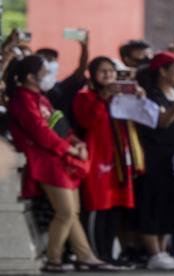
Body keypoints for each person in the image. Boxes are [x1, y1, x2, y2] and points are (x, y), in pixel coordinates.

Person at [6, 55, 114, 272]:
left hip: (59, 159)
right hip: (47, 162)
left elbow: (60, 125)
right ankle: (53, 259)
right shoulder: (23, 100)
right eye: (44, 73)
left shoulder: (41, 98)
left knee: (72, 211)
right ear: (29, 77)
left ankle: (86, 256)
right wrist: (70, 149)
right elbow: (41, 132)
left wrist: (76, 142)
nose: (49, 77)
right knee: (65, 212)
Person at [73, 56, 145, 264]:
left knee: (115, 208)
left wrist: (139, 99)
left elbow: (140, 120)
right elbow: (88, 121)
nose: (108, 75)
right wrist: (103, 97)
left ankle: (109, 255)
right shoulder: (85, 97)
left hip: (120, 162)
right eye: (102, 71)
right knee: (98, 207)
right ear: (93, 75)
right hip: (97, 161)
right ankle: (95, 256)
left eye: (111, 71)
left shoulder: (121, 97)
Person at [135, 51, 174, 270]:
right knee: (152, 203)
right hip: (155, 159)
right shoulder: (151, 95)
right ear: (162, 71)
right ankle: (154, 253)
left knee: (171, 204)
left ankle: (164, 250)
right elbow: (161, 122)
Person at [36, 30, 89, 130]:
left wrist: (84, 47)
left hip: (64, 134)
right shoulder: (27, 91)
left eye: (51, 59)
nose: (47, 63)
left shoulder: (62, 87)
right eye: (44, 59)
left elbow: (81, 69)